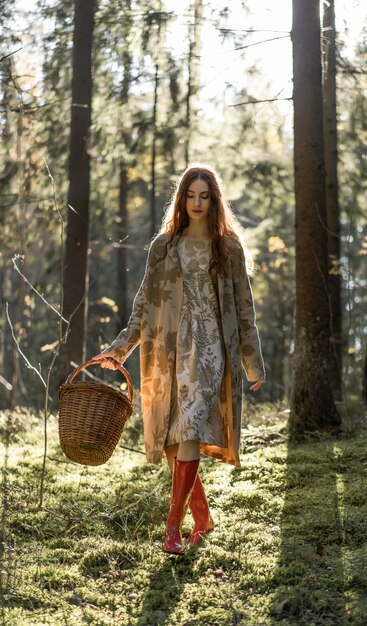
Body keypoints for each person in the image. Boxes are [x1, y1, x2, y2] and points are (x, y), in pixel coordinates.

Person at [92, 164, 266, 554]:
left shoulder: (229, 248)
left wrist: (253, 361)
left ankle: (173, 529)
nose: (197, 203)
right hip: (168, 350)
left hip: (210, 350)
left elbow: (244, 308)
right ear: (181, 198)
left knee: (187, 430)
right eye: (191, 195)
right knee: (172, 437)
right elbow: (144, 303)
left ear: (215, 200)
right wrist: (120, 347)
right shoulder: (165, 245)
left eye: (205, 196)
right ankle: (202, 517)